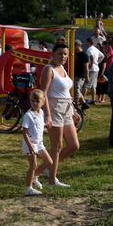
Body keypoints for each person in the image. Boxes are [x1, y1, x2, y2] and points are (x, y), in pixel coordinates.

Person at [39, 42, 79, 188]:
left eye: (65, 54)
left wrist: (73, 110)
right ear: (53, 54)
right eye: (60, 54)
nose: (63, 57)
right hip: (54, 108)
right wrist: (47, 115)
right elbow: (43, 93)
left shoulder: (62, 68)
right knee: (57, 146)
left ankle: (47, 168)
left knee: (74, 145)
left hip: (67, 108)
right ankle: (52, 180)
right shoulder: (49, 70)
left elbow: (66, 92)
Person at [21, 89, 53, 196]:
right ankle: (28, 188)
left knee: (49, 161)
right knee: (33, 165)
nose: (35, 103)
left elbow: (38, 126)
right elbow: (24, 132)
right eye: (33, 101)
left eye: (37, 101)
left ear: (43, 102)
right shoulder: (28, 115)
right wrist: (30, 147)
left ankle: (34, 177)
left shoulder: (41, 113)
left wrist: (45, 128)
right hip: (31, 143)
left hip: (39, 143)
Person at [84, 37, 103, 105]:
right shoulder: (95, 49)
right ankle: (93, 99)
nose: (85, 43)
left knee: (85, 85)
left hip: (91, 69)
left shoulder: (89, 49)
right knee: (93, 86)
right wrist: (97, 62)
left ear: (89, 42)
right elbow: (102, 56)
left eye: (86, 42)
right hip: (96, 68)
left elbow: (91, 56)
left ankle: (82, 99)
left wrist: (91, 64)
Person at [73, 40, 88, 109]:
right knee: (76, 89)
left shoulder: (84, 55)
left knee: (77, 89)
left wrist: (87, 76)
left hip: (80, 75)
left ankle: (76, 104)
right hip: (75, 74)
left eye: (75, 45)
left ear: (79, 45)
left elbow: (86, 67)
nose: (73, 47)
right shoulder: (75, 53)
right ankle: (84, 103)